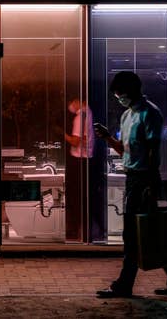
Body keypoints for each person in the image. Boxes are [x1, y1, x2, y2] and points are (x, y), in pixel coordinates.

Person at [94, 71, 167, 297]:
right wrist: (108, 138)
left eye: (121, 93)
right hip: (132, 178)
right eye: (116, 94)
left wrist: (150, 184)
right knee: (146, 231)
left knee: (133, 234)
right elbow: (124, 151)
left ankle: (124, 285)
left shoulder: (150, 114)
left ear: (134, 91)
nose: (118, 97)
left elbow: (151, 151)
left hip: (144, 178)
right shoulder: (127, 116)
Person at [64, 98, 94, 240]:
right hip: (87, 160)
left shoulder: (80, 116)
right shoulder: (89, 113)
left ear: (77, 100)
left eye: (72, 102)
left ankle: (76, 231)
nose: (70, 106)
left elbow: (75, 142)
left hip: (78, 160)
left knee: (74, 197)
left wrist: (62, 133)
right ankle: (85, 230)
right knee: (84, 197)